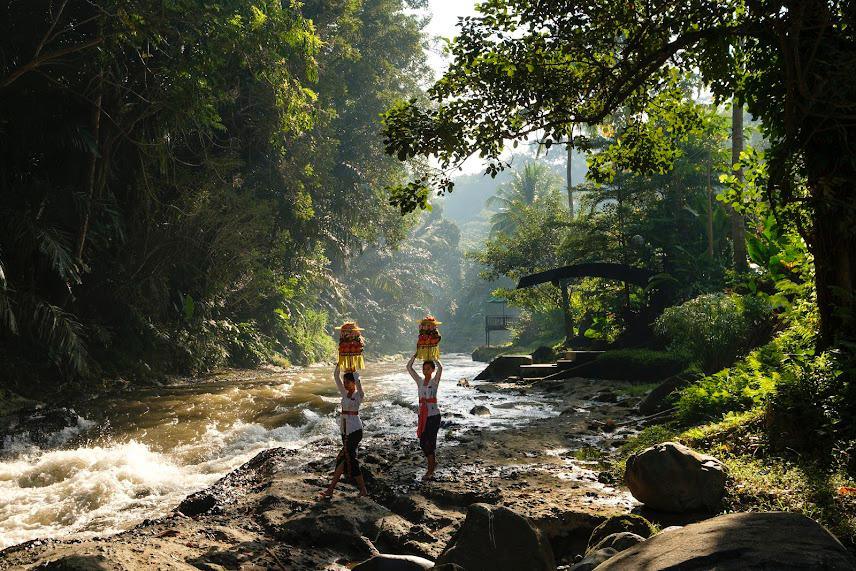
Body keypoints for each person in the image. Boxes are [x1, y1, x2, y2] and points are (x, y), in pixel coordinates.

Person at [320, 364, 368, 498]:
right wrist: (339, 364)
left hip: (355, 431)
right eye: (345, 382)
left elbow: (359, 384)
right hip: (345, 431)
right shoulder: (344, 394)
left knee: (348, 458)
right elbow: (336, 377)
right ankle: (332, 489)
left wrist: (355, 373)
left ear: (353, 383)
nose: (345, 384)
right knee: (345, 458)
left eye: (347, 382)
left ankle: (361, 489)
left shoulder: (359, 395)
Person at [407, 354, 443, 481]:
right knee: (423, 442)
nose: (425, 371)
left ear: (432, 370)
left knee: (430, 442)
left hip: (433, 416)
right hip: (422, 415)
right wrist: (415, 356)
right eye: (424, 369)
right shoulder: (420, 381)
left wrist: (434, 357)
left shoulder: (434, 382)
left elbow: (441, 368)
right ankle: (433, 462)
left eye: (428, 369)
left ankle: (430, 469)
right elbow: (409, 367)